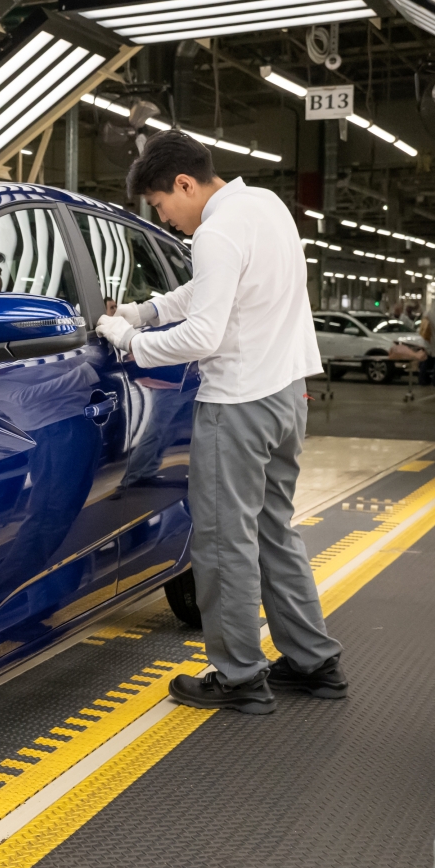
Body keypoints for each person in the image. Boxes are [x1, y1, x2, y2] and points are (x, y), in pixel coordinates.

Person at [97, 132, 342, 714]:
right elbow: (213, 289)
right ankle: (314, 662)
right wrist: (148, 310)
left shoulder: (214, 232)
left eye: (161, 205)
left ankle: (238, 676)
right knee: (275, 530)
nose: (166, 219)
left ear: (185, 184)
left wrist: (129, 340)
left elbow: (203, 335)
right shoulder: (266, 205)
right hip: (286, 395)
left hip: (237, 405)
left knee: (221, 541)